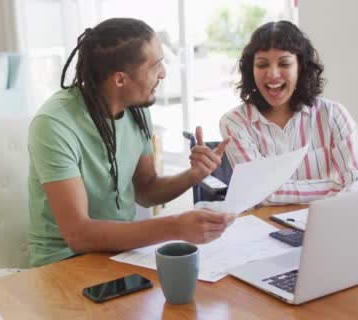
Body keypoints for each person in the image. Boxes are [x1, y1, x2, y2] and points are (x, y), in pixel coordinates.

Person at [27, 18, 234, 267]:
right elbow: (78, 235)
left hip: (120, 253)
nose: (164, 73)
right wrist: (176, 226)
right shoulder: (54, 125)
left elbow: (146, 190)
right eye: (156, 65)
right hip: (64, 261)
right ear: (120, 80)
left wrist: (193, 175)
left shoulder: (136, 108)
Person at [219, 21, 358, 205]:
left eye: (284, 63)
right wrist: (335, 186)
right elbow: (259, 192)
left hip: (327, 221)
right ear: (251, 70)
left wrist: (346, 190)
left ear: (300, 67)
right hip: (265, 225)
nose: (272, 74)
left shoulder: (333, 114)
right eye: (262, 65)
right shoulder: (234, 122)